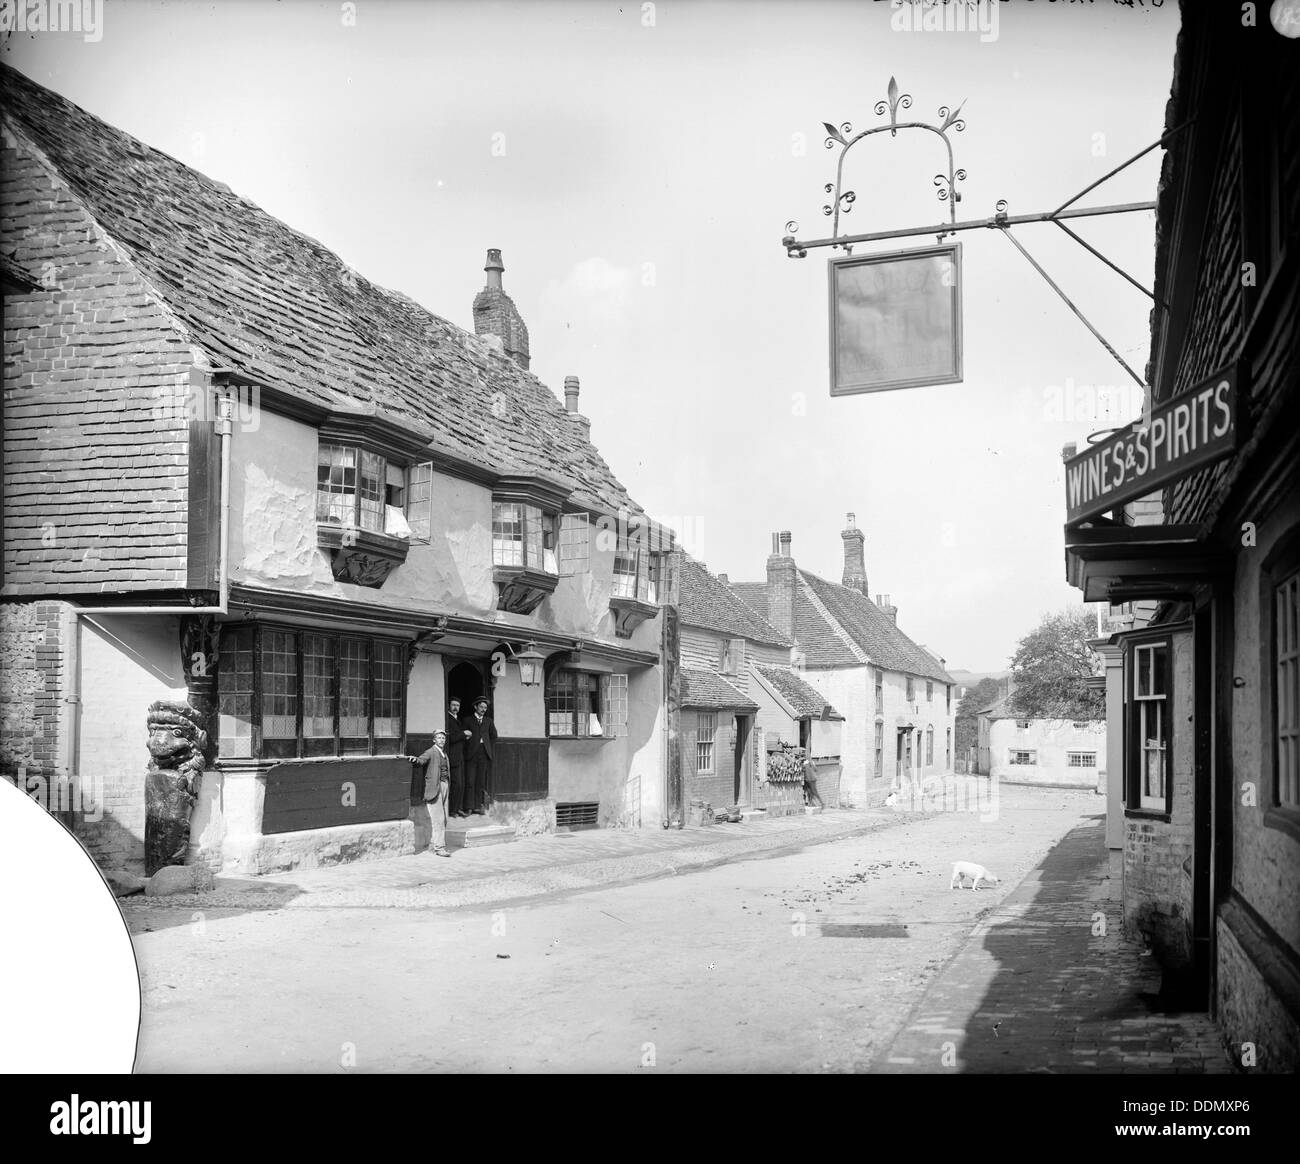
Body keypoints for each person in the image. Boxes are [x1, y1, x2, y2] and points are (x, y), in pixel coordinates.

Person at [410, 729, 452, 856]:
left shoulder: (444, 754)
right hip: (434, 788)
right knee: (438, 819)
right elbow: (421, 760)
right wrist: (415, 760)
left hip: (445, 786)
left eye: (443, 738)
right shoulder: (431, 752)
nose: (441, 740)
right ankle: (439, 848)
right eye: (439, 738)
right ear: (434, 740)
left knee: (444, 818)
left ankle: (434, 845)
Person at [462, 695, 498, 816]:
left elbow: (494, 736)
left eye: (485, 707)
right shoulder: (467, 720)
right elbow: (463, 737)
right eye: (481, 707)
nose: (483, 709)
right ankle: (469, 807)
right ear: (475, 707)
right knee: (470, 781)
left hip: (484, 753)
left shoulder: (488, 721)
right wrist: (469, 746)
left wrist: (487, 747)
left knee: (480, 781)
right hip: (471, 754)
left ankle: (478, 806)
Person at [444, 697, 468, 817]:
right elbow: (451, 738)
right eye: (453, 705)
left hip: (460, 755)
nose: (455, 708)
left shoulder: (458, 719)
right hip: (453, 756)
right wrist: (463, 734)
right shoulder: (447, 719)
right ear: (449, 705)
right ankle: (452, 810)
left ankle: (458, 808)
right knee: (456, 783)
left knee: (461, 783)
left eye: (457, 706)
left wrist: (464, 736)